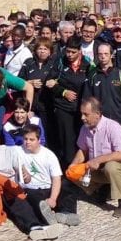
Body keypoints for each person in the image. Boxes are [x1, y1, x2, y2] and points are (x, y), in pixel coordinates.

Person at [0, 126, 63, 240]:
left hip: (8, 191)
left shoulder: (9, 152)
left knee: (18, 203)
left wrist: (26, 176)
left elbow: (22, 170)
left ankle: (35, 227)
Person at [65, 97, 121, 218]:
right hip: (98, 169)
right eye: (81, 114)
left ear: (97, 114)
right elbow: (82, 150)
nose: (82, 118)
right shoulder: (84, 128)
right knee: (72, 172)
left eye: (86, 114)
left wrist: (97, 160)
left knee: (111, 166)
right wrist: (73, 164)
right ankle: (100, 189)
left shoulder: (113, 127)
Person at [18, 124, 80, 228]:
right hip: (32, 189)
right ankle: (48, 218)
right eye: (25, 139)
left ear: (39, 140)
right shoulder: (18, 152)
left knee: (66, 187)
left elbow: (56, 178)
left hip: (48, 187)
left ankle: (67, 214)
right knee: (34, 201)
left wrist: (53, 198)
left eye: (31, 139)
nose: (27, 142)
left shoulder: (49, 155)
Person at [44, 37, 92, 165]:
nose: (69, 55)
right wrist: (63, 92)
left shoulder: (87, 64)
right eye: (68, 51)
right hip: (63, 107)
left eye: (73, 52)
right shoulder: (60, 62)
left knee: (82, 138)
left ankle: (82, 167)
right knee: (67, 139)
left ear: (79, 51)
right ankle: (68, 168)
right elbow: (49, 82)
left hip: (81, 109)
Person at [89, 42, 121, 131]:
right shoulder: (92, 75)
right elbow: (87, 100)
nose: (103, 56)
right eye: (100, 54)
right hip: (98, 121)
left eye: (106, 54)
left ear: (111, 55)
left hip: (118, 120)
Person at [18, 37, 54, 122]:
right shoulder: (28, 62)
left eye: (45, 49)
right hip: (30, 105)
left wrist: (54, 82)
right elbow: (18, 82)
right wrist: (29, 83)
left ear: (50, 52)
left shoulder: (53, 64)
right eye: (40, 48)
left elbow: (59, 80)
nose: (42, 51)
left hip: (46, 106)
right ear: (35, 50)